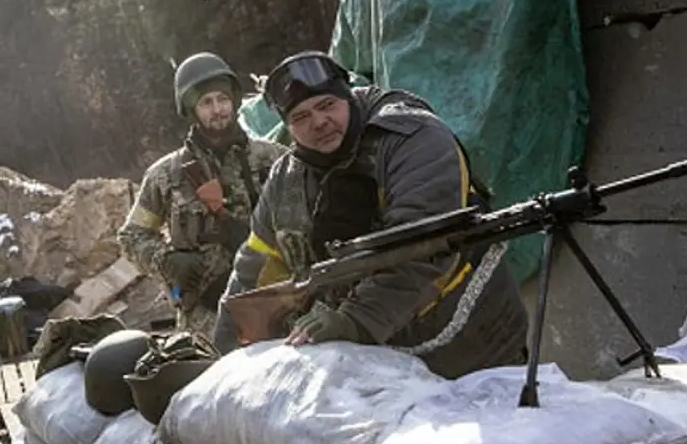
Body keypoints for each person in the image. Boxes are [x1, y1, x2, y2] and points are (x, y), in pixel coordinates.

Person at [212, 51, 529, 378]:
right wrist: (219, 360)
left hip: (472, 342)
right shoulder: (285, 180)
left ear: (347, 96)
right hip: (379, 364)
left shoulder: (412, 137)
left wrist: (355, 320)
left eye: (327, 106)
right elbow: (255, 268)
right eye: (301, 117)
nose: (319, 122)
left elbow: (424, 244)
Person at [118, 52, 288, 339]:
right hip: (204, 322)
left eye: (223, 99)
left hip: (277, 309)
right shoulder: (166, 175)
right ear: (191, 110)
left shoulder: (275, 159)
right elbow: (132, 236)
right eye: (206, 103)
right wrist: (167, 261)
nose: (218, 109)